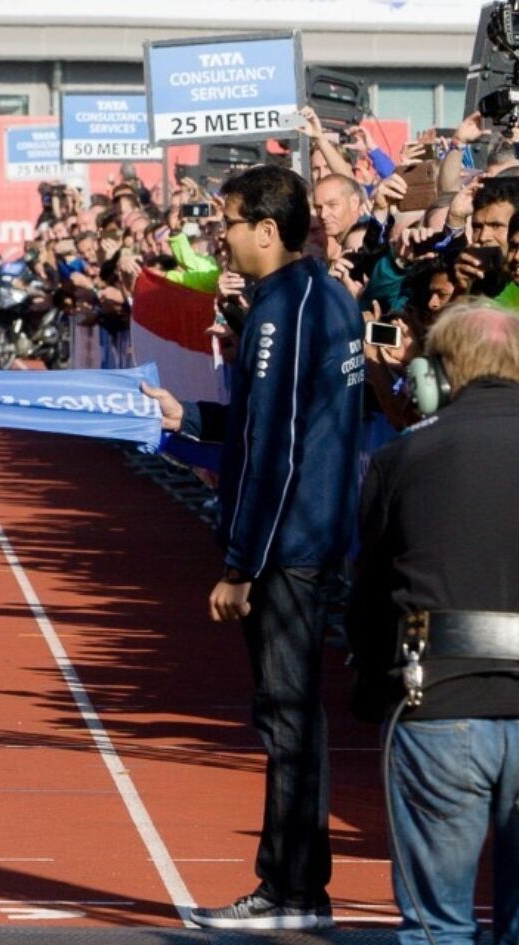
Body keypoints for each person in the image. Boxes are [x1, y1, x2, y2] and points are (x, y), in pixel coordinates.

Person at [141, 163, 363, 930]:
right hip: (301, 541)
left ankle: (294, 890)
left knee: (290, 717)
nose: (219, 236)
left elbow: (282, 445)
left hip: (289, 548)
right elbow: (263, 418)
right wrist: (190, 416)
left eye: (228, 222)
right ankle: (293, 886)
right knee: (289, 716)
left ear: (268, 230)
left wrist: (243, 563)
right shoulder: (302, 300)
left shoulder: (289, 309)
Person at [347, 303, 519, 945]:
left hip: (438, 701)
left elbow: (367, 595)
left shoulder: (403, 457)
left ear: (440, 376)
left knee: (436, 926)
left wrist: (368, 687)